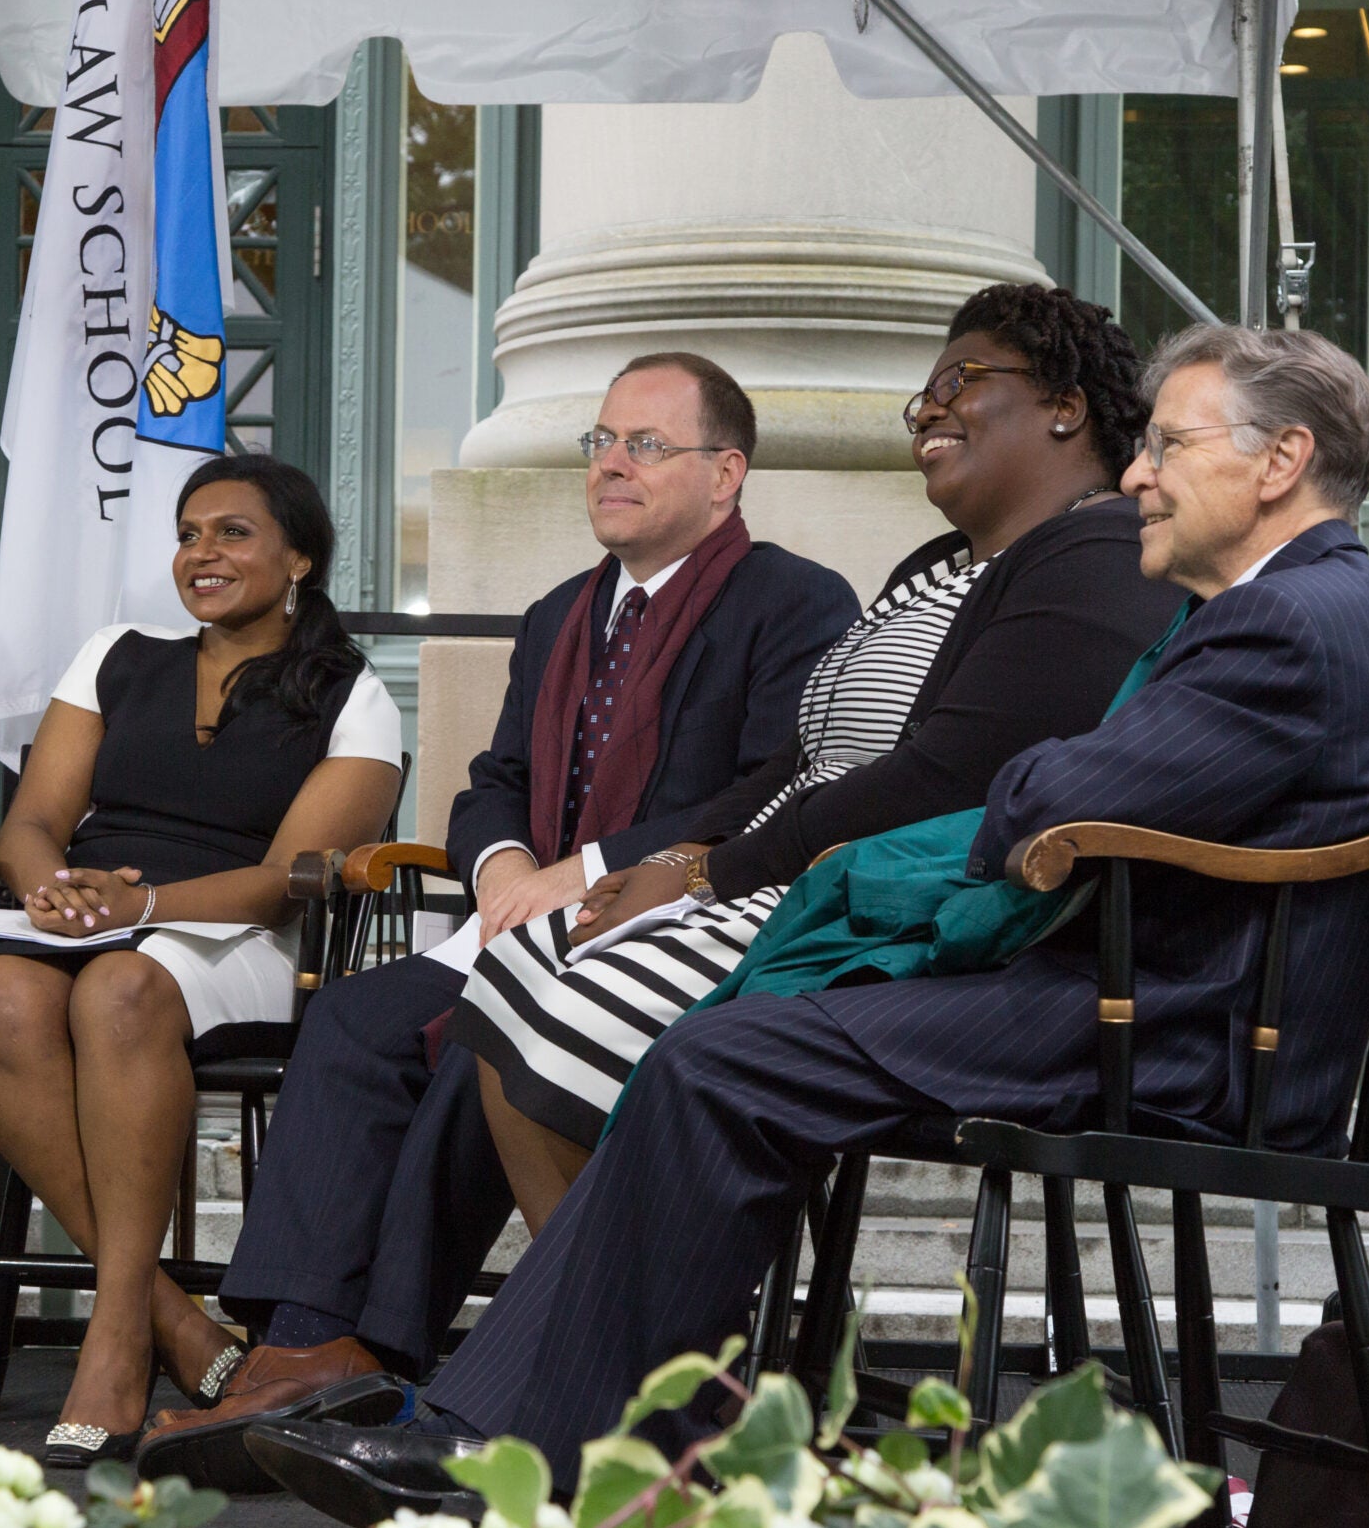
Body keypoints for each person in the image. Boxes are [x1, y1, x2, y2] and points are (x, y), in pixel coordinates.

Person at [243, 326, 1369, 1514]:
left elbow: (1042, 797)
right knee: (723, 1042)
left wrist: (1027, 791)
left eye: (1169, 446)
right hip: (1158, 991)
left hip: (1173, 1024)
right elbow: (1058, 786)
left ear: (1280, 461)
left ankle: (531, 1445)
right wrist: (1031, 792)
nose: (1139, 473)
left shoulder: (1285, 622)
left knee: (726, 1051)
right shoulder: (1299, 610)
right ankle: (590, 1433)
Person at [134, 352, 859, 1488]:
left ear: (726, 475)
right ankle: (303, 1343)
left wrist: (587, 870)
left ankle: (382, 1359)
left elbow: (776, 784)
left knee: (489, 1030)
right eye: (601, 442)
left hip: (676, 931)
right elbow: (493, 777)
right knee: (361, 1020)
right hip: (527, 916)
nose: (611, 464)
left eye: (645, 446)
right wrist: (508, 861)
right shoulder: (560, 613)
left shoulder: (794, 600)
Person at [448, 283, 1185, 1234]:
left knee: (570, 1010)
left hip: (882, 910)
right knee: (510, 977)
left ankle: (633, 1346)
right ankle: (623, 1342)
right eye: (920, 397)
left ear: (1066, 405)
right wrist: (674, 860)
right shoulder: (936, 567)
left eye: (959, 381)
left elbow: (944, 779)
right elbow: (796, 762)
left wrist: (713, 871)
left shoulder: (1095, 555)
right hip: (779, 871)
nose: (929, 410)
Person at [0, 456, 405, 1468]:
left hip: (234, 938)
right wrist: (47, 890)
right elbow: (33, 822)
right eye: (188, 533)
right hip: (89, 915)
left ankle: (114, 1344)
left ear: (299, 558)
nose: (201, 553)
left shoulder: (349, 693)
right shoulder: (117, 655)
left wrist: (143, 906)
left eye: (232, 533)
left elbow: (291, 875)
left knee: (121, 989)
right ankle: (176, 1325)